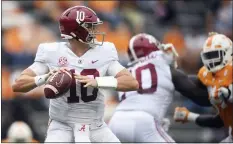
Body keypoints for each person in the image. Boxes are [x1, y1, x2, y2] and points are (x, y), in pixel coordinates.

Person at [12, 6, 138, 143]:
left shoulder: (104, 51)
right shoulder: (52, 52)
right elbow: (18, 84)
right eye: (90, 26)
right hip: (61, 126)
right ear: (75, 30)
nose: (95, 30)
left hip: (95, 125)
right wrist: (44, 78)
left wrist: (99, 82)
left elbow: (132, 82)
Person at [109, 33, 211, 143]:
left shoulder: (128, 72)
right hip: (143, 121)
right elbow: (197, 96)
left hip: (116, 122)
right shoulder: (162, 66)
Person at [174, 32, 233, 143]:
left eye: (216, 55)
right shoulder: (210, 76)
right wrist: (189, 116)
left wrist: (228, 94)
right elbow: (220, 121)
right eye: (208, 56)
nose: (212, 61)